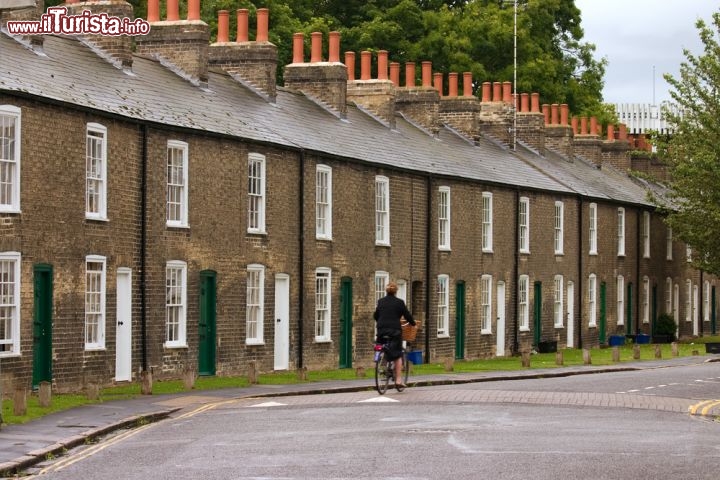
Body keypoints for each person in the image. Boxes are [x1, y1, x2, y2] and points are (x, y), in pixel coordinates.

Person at [373, 282, 415, 388]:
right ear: (396, 291)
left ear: (386, 291)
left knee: (381, 346)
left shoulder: (381, 301)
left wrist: (382, 321)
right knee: (398, 354)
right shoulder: (399, 302)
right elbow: (407, 315)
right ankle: (398, 380)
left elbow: (376, 315)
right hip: (394, 331)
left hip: (381, 330)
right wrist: (413, 324)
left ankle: (381, 361)